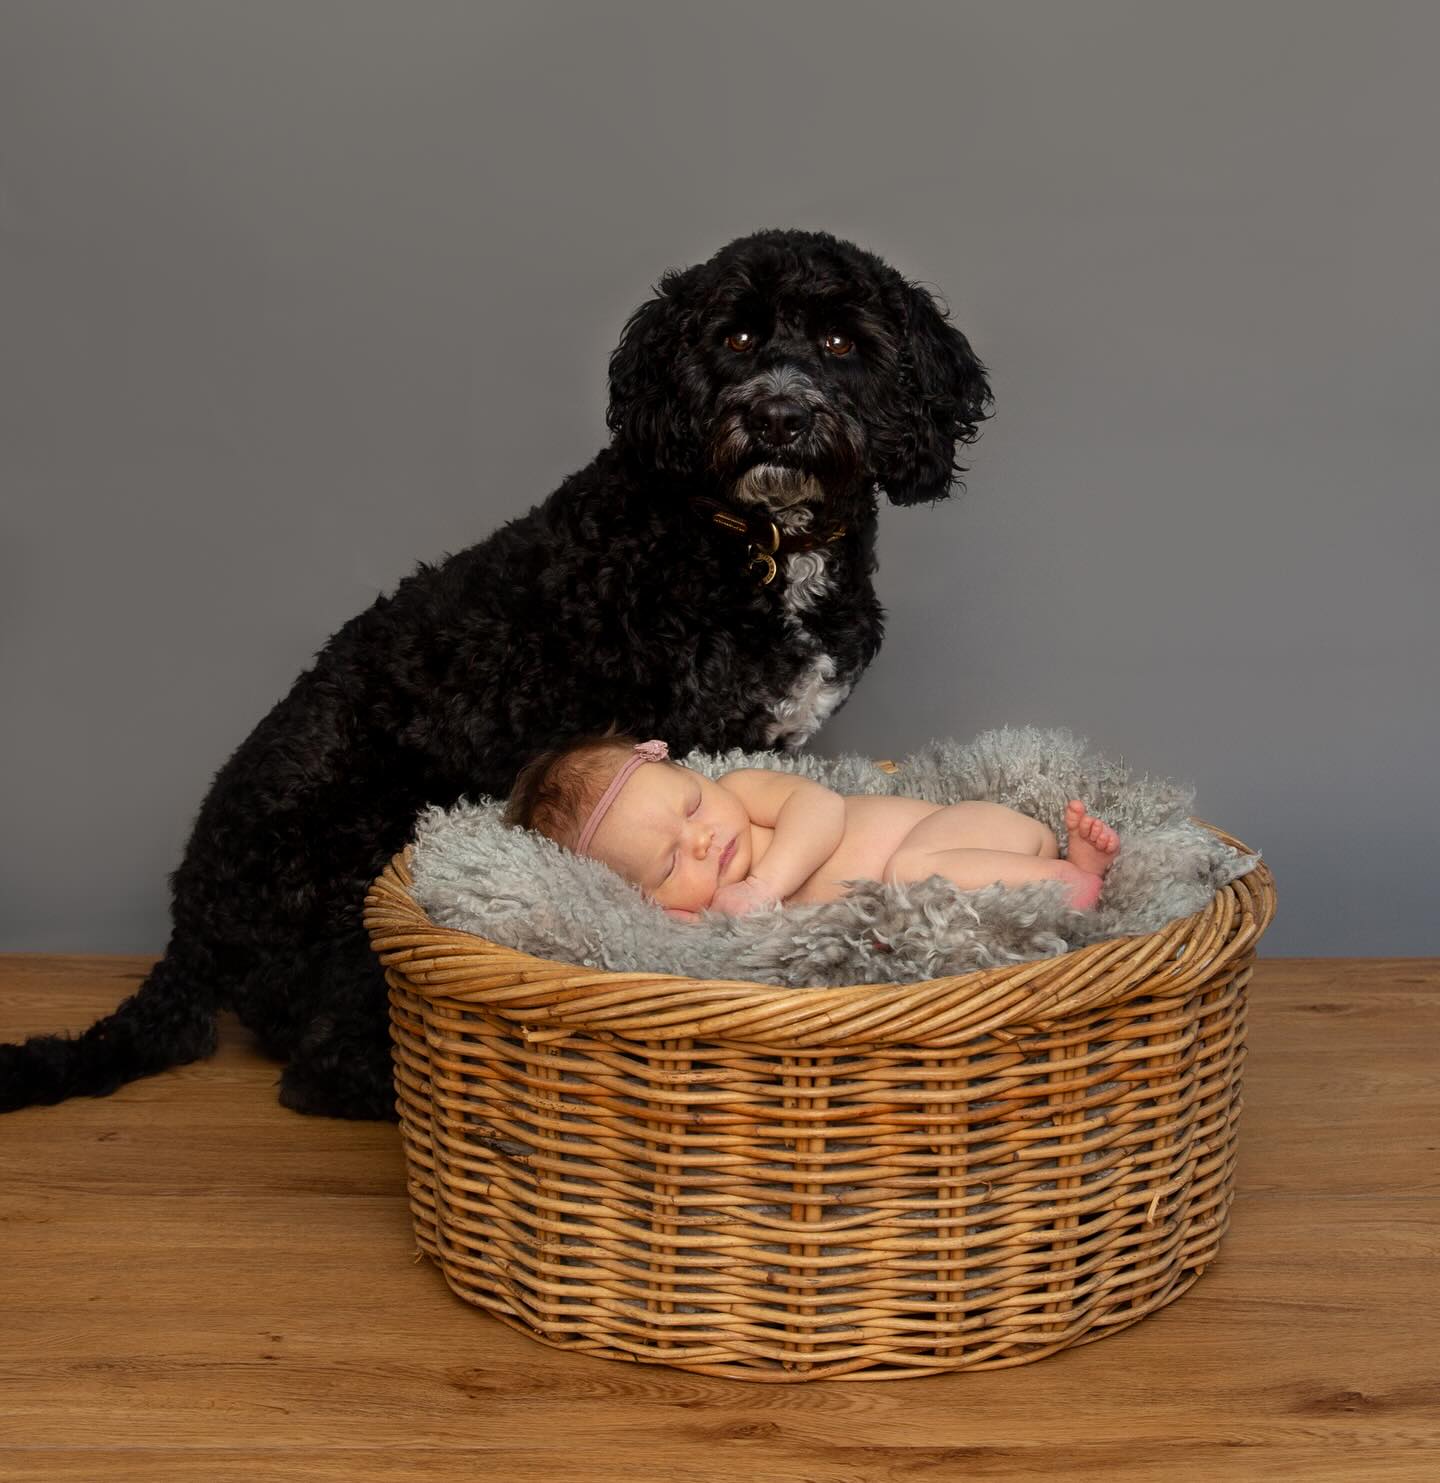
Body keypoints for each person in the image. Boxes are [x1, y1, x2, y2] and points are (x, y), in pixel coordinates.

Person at [505, 735, 1120, 920]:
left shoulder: (744, 793)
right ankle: (1064, 876)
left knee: (908, 873)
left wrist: (765, 884)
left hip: (968, 835)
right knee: (915, 903)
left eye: (691, 806)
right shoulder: (685, 910)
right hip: (968, 896)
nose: (702, 840)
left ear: (689, 771)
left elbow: (822, 808)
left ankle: (1064, 875)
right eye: (669, 865)